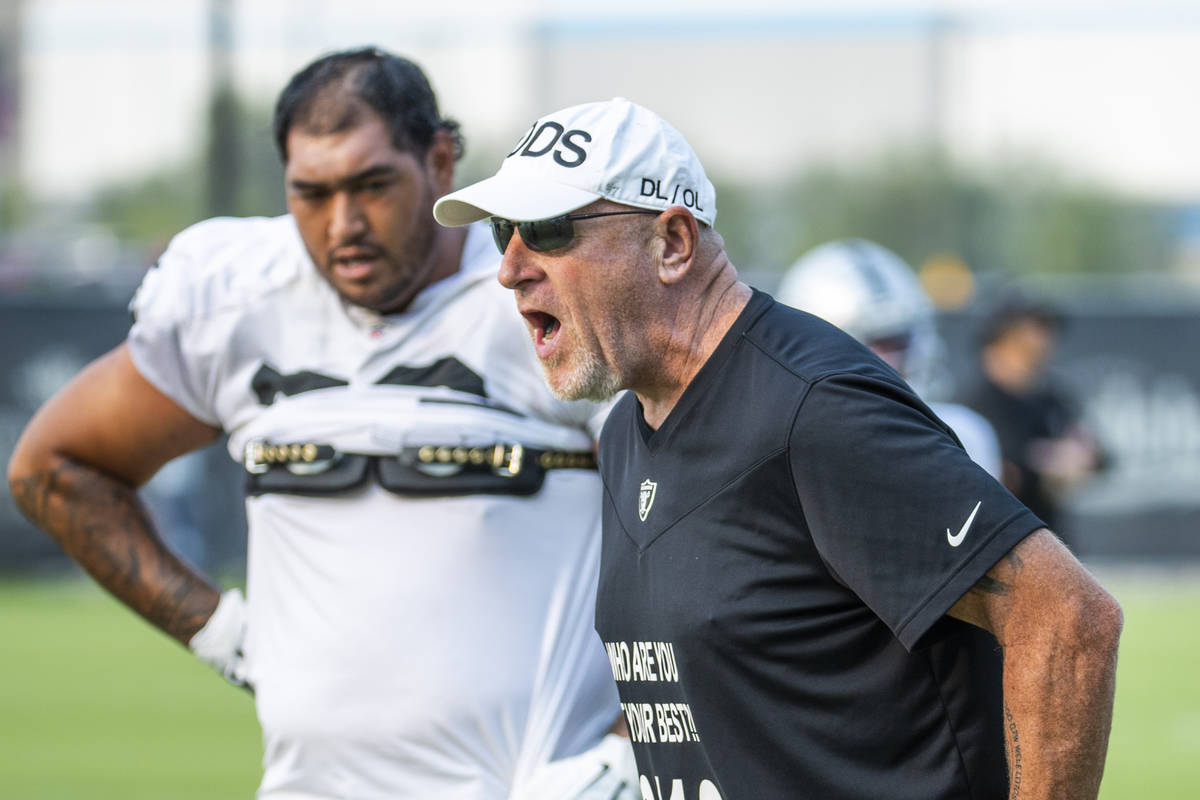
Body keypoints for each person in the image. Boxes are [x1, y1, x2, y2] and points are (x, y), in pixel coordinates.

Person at [433, 97, 1123, 800]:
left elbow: (1068, 618)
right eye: (502, 233)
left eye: (548, 231)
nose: (510, 268)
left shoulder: (812, 407)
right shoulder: (625, 429)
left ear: (672, 243)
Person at [7, 49, 637, 800]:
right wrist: (221, 632)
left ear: (441, 162)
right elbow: (53, 468)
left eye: (372, 186)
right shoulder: (235, 297)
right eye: (311, 193)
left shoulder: (541, 286)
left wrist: (629, 751)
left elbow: (699, 529)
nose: (343, 224)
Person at [777, 238, 1003, 478]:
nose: (890, 363)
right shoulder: (779, 449)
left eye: (897, 342)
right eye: (869, 346)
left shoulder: (961, 435)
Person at [963, 295, 1105, 544]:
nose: (1041, 343)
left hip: (1049, 537)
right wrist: (1052, 462)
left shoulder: (1051, 398)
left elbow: (1100, 455)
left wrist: (1080, 459)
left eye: (1045, 333)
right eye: (1025, 338)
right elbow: (1004, 472)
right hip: (992, 542)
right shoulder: (975, 406)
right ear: (997, 344)